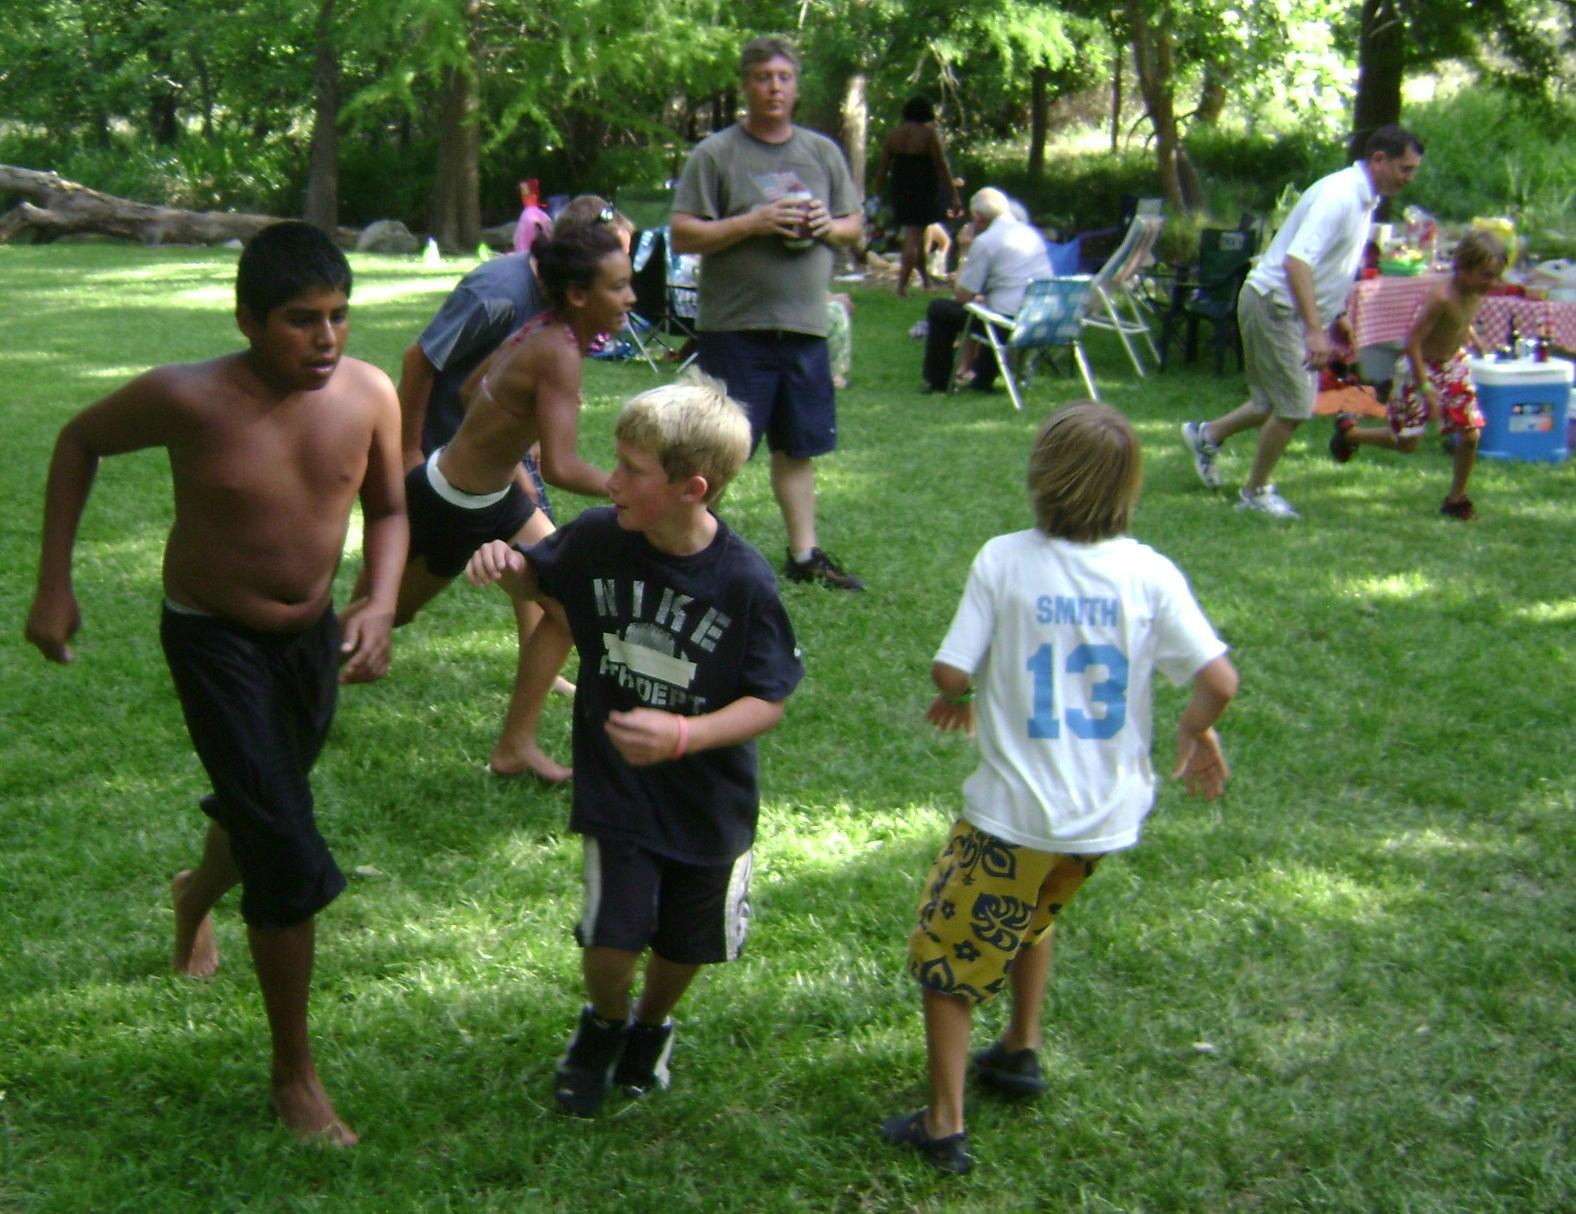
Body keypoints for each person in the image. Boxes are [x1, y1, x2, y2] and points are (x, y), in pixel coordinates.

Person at [24, 222, 407, 1146]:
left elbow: (391, 509)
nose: (326, 339)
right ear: (246, 320)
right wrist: (54, 585)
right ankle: (294, 1078)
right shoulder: (186, 397)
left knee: (261, 801)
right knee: (282, 842)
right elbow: (78, 442)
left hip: (309, 641)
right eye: (299, 321)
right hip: (212, 639)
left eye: (338, 317)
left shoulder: (369, 394)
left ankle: (195, 893)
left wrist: (379, 601)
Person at [881, 402, 1238, 1175]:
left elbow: (950, 670)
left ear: (1040, 476)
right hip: (1102, 822)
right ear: (1130, 488)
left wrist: (961, 691)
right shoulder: (1149, 572)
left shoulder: (1004, 560)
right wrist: (1194, 727)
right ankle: (1019, 1050)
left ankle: (944, 1125)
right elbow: (1218, 678)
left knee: (948, 958)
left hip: (1012, 817)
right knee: (1032, 914)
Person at [464, 371, 804, 1118]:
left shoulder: (743, 582)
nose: (608, 480)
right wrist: (505, 567)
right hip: (618, 784)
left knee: (686, 942)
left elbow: (768, 701)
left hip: (709, 798)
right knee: (613, 934)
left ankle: (651, 1026)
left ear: (693, 488)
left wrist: (687, 733)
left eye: (630, 471)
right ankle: (604, 1022)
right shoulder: (597, 537)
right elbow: (542, 583)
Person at [391, 223, 634, 781]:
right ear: (578, 295)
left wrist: (508, 456)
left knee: (569, 605)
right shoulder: (559, 353)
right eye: (619, 287)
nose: (631, 298)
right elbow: (566, 467)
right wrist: (633, 489)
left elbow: (470, 389)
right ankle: (286, 675)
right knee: (388, 615)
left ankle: (514, 748)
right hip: (453, 503)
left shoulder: (540, 328)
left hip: (493, 497)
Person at [671, 35, 866, 592]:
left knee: (798, 446)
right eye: (762, 77)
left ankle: (804, 556)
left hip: (805, 327)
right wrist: (753, 222)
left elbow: (854, 226)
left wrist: (829, 227)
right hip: (736, 328)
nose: (773, 87)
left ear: (796, 85)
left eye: (783, 77)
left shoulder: (823, 152)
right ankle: (689, 549)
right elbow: (685, 231)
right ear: (745, 86)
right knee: (719, 451)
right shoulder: (717, 154)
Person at [1180, 125, 1424, 519]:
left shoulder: (1363, 199)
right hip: (1276, 305)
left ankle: (1206, 435)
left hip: (1278, 304)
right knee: (1294, 407)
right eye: (1405, 168)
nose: (1409, 178)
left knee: (1270, 401)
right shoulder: (1339, 196)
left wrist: (1338, 314)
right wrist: (1315, 329)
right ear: (1379, 158)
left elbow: (1330, 264)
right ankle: (1256, 492)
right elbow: (1298, 261)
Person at [1329, 229, 1505, 520]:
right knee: (1407, 443)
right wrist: (1426, 390)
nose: (1492, 283)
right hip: (1418, 368)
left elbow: (1461, 319)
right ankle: (1350, 434)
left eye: (1496, 276)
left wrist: (1471, 334)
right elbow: (1412, 343)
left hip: (1453, 364)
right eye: (1486, 275)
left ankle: (1456, 498)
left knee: (1471, 434)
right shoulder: (1441, 297)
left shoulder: (1475, 291)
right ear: (1463, 269)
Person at [920, 188, 1052, 394]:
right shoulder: (1030, 234)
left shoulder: (986, 241)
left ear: (978, 218)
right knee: (991, 307)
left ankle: (938, 381)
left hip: (1008, 324)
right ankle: (983, 378)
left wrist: (964, 250)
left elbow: (962, 296)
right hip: (1040, 318)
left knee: (939, 309)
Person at [872, 95, 964, 297]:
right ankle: (901, 287)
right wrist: (953, 195)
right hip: (922, 189)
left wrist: (876, 193)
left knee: (920, 234)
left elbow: (882, 169)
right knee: (914, 237)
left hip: (900, 189)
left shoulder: (893, 136)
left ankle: (925, 280)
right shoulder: (928, 135)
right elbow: (941, 166)